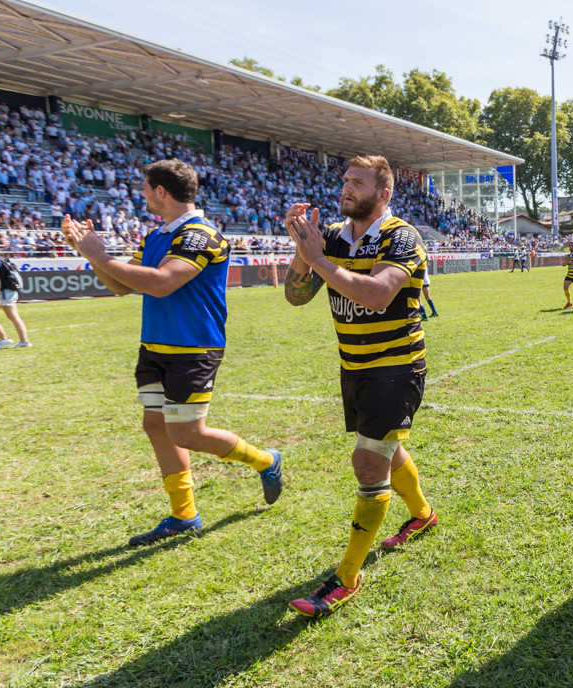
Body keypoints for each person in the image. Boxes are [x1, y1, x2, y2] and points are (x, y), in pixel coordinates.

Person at [62, 159, 283, 546]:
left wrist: (99, 254)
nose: (143, 194)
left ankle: (266, 460)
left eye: (146, 188)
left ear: (161, 191)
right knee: (156, 425)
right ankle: (184, 515)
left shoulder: (202, 235)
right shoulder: (155, 237)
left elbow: (163, 283)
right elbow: (121, 286)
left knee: (187, 433)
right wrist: (88, 252)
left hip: (193, 348)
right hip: (154, 346)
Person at [281, 154, 437, 618]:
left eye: (358, 182)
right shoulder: (328, 236)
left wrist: (317, 259)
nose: (346, 188)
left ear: (383, 194)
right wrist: (301, 250)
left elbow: (376, 293)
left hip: (396, 367)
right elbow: (295, 295)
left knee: (369, 462)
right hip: (355, 366)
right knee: (387, 448)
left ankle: (347, 577)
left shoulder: (402, 237)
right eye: (345, 180)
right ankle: (423, 514)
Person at [0, 241, 31, 349]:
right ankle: (24, 341)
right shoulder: (2, 259)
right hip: (11, 291)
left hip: (3, 293)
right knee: (14, 317)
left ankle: (4, 339)